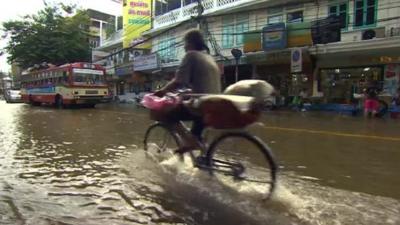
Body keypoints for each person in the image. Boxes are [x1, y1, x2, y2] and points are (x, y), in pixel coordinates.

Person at [154, 29, 221, 153]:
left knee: (165, 115)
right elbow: (203, 84)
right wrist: (188, 92)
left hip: (201, 104)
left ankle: (190, 142)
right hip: (214, 104)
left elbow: (178, 81)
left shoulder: (191, 56)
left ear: (190, 43)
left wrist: (161, 92)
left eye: (185, 43)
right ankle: (200, 153)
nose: (184, 46)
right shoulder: (209, 58)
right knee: (197, 137)